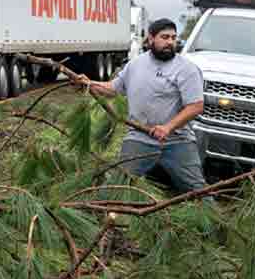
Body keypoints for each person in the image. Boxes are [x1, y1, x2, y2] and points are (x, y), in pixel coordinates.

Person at [82, 18, 206, 193]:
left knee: (197, 190)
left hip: (178, 141)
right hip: (139, 137)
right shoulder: (135, 65)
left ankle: (211, 220)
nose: (170, 42)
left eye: (173, 37)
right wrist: (88, 83)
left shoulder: (187, 69)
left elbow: (196, 106)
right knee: (116, 186)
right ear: (150, 38)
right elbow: (113, 89)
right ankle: (104, 216)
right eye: (164, 37)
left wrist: (167, 128)